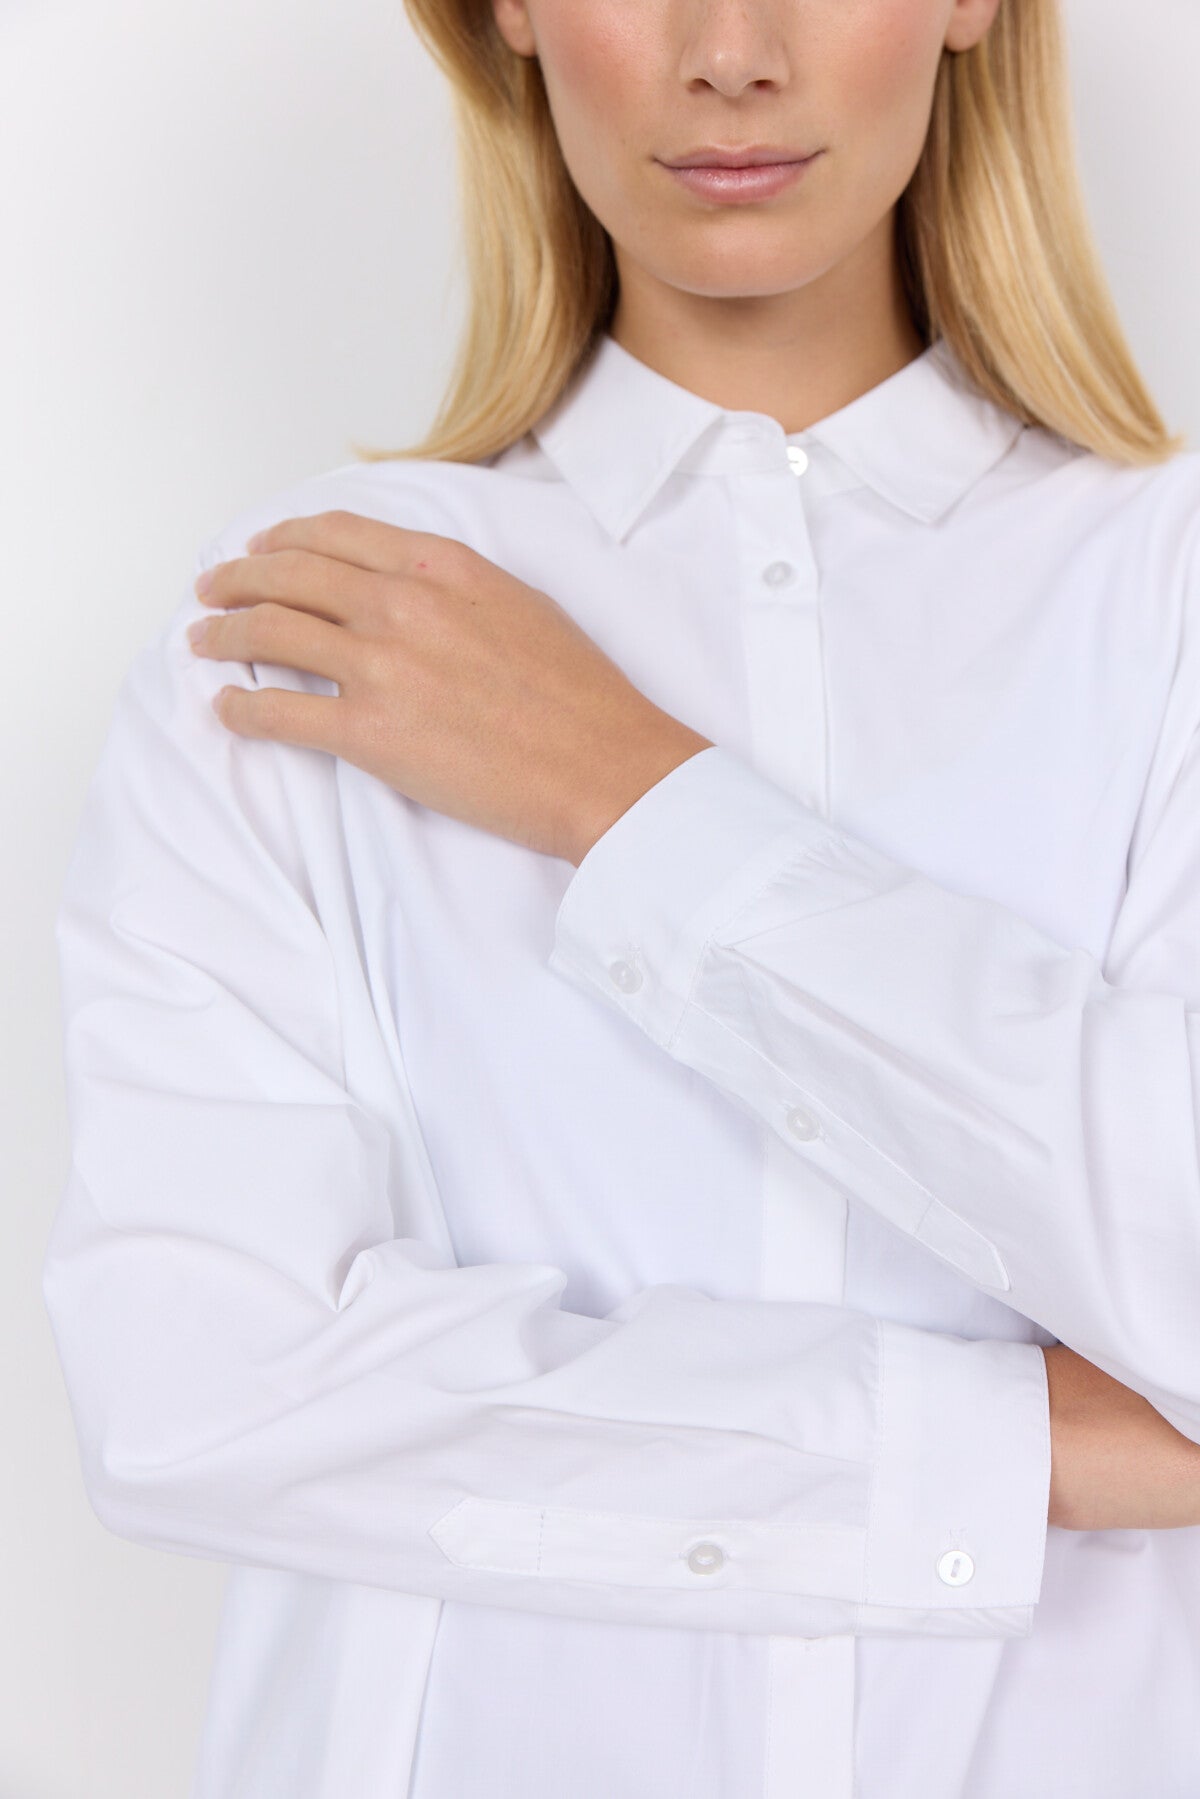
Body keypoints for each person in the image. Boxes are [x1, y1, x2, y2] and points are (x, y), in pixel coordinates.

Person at [41, 0, 1200, 1794]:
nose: (731, 52)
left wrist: (627, 796)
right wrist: (1020, 1451)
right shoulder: (310, 620)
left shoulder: (1169, 598)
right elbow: (201, 1390)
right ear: (508, 12)